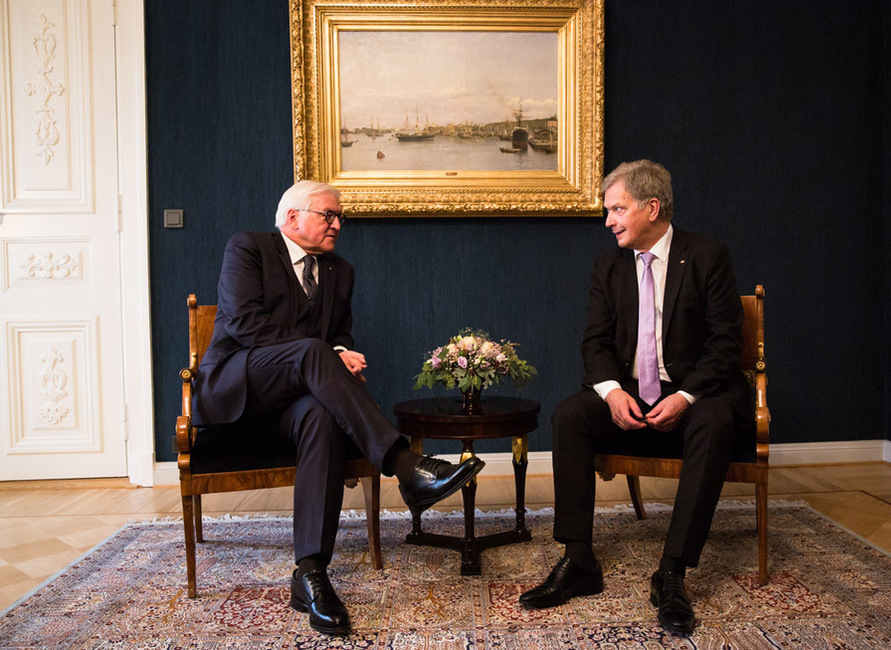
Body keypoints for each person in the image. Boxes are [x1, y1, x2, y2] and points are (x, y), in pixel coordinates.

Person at [193, 180, 485, 637]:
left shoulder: (340, 272)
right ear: (293, 218)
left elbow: (339, 335)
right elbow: (246, 325)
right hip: (239, 388)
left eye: (340, 218)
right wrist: (327, 354)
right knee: (314, 353)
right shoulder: (249, 248)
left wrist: (343, 353)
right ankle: (406, 466)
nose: (337, 225)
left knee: (322, 417)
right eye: (328, 215)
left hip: (296, 404)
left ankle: (310, 574)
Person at [519, 160, 753, 636]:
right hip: (631, 393)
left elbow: (726, 344)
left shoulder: (707, 255)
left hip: (696, 393)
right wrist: (609, 393)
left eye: (617, 209)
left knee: (714, 421)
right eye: (608, 211)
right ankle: (578, 560)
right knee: (569, 416)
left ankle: (672, 572)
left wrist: (685, 395)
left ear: (652, 207)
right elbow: (595, 342)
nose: (608, 221)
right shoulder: (608, 264)